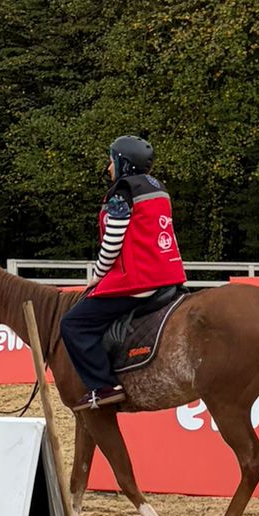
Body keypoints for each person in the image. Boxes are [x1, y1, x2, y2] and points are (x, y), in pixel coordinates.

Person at [59, 136, 187, 411]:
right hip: (169, 274)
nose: (108, 168)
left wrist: (97, 275)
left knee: (73, 324)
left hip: (139, 279)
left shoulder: (121, 192)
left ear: (123, 163)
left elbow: (113, 242)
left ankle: (104, 386)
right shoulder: (158, 188)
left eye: (111, 160)